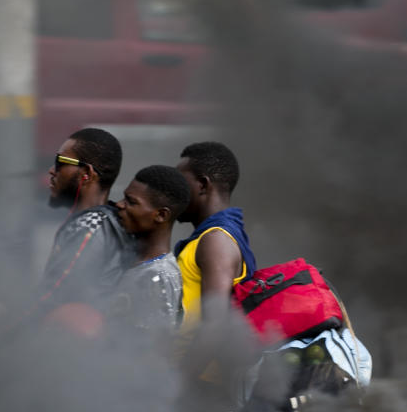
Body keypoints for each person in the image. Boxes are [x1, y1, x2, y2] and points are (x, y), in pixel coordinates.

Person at [31, 127, 134, 336]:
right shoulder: (107, 219)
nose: (52, 171)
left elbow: (53, 294)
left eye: (61, 163)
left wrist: (11, 329)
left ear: (87, 174)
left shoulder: (90, 227)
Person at [173, 141, 256, 327]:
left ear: (202, 184)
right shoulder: (215, 235)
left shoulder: (215, 240)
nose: (174, 191)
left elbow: (214, 328)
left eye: (180, 182)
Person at [111, 165, 190, 332]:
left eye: (131, 202)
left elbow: (153, 350)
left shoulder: (158, 276)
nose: (119, 205)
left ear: (161, 215)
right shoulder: (136, 263)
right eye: (124, 198)